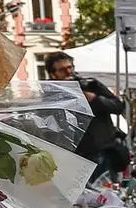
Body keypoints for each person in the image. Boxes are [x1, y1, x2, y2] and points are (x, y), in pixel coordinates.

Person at [47, 51, 130, 184]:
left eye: (70, 67)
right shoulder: (50, 93)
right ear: (52, 74)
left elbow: (118, 106)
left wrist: (95, 99)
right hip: (74, 156)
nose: (68, 72)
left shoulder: (90, 85)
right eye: (62, 70)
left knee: (106, 191)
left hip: (102, 150)